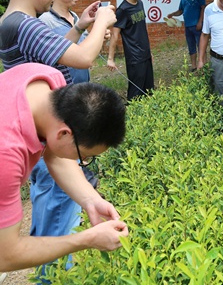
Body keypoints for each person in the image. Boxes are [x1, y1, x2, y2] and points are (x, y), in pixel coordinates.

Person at [0, 0, 117, 278]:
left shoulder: (38, 76)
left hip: (31, 131)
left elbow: (55, 151)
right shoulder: (24, 24)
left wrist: (90, 200)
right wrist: (102, 22)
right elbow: (82, 58)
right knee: (54, 221)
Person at [0, 63, 128, 272]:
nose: (82, 161)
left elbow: (55, 154)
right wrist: (86, 239)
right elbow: (5, 255)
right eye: (83, 156)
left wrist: (91, 200)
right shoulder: (6, 153)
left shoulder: (47, 81)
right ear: (65, 133)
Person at [107, 0, 154, 101]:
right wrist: (110, 58)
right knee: (135, 93)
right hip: (134, 57)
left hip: (145, 55)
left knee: (149, 91)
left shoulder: (140, 4)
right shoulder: (123, 9)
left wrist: (149, 51)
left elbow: (142, 30)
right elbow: (115, 35)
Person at [39, 0, 92, 83]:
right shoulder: (45, 21)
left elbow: (84, 48)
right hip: (62, 88)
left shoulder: (76, 17)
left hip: (83, 86)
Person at [166, 0, 206, 70]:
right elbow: (180, 10)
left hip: (197, 25)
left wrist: (200, 22)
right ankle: (194, 66)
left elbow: (203, 8)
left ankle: (203, 65)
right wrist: (172, 14)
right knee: (191, 47)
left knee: (201, 46)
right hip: (188, 26)